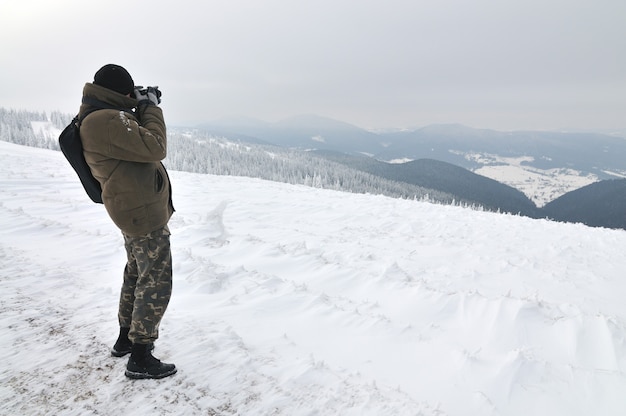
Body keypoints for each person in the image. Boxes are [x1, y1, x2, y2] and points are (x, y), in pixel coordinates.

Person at [78, 64, 176, 379]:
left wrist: (136, 105)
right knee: (155, 280)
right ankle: (141, 355)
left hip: (132, 209)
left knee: (137, 274)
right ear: (120, 92)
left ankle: (125, 339)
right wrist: (149, 107)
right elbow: (155, 146)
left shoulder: (101, 115)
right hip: (142, 213)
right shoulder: (105, 120)